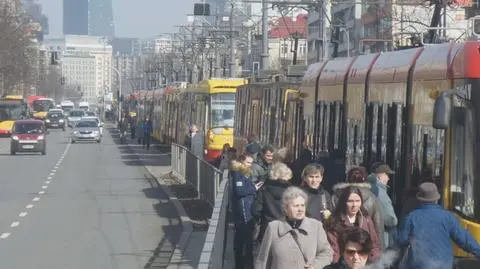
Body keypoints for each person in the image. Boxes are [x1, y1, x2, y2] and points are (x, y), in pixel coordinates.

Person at [396, 182, 480, 269]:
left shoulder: (411, 217)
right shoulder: (448, 217)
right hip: (443, 265)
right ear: (437, 199)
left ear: (420, 200)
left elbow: (401, 240)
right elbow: (465, 240)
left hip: (419, 265)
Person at [254, 186, 333, 269]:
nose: (300, 209)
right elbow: (262, 260)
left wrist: (315, 266)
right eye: (296, 206)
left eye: (302, 205)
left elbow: (327, 253)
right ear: (286, 209)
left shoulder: (316, 226)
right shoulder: (273, 227)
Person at [332, 167, 385, 250]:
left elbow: (332, 221)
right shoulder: (371, 196)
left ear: (347, 179)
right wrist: (380, 250)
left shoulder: (336, 196)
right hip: (366, 245)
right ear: (363, 179)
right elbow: (378, 224)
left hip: (341, 245)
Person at [325, 186, 381, 263]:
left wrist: (374, 263)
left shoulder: (366, 219)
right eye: (350, 201)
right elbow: (335, 251)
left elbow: (374, 245)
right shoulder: (334, 222)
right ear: (344, 202)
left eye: (357, 201)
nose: (354, 205)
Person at [231, 154, 263, 269]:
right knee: (244, 237)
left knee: (244, 237)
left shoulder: (243, 173)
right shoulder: (238, 174)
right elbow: (240, 191)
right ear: (242, 162)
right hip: (243, 209)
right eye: (248, 163)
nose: (250, 165)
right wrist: (254, 188)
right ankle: (243, 263)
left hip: (246, 207)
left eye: (251, 163)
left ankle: (243, 262)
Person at [252, 162, 292, 243]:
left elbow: (256, 210)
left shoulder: (264, 189)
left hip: (267, 227)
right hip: (286, 227)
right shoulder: (292, 190)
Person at [368, 164, 397, 248]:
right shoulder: (380, 193)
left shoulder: (369, 187)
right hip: (381, 235)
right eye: (387, 175)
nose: (389, 178)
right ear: (379, 177)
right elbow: (389, 219)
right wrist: (394, 220)